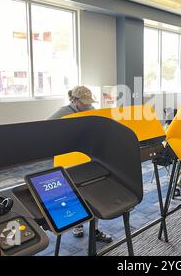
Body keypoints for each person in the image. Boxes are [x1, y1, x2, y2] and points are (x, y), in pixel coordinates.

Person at [49, 85, 112, 243]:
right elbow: (45, 130)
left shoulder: (91, 110)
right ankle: (77, 225)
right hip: (69, 159)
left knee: (93, 191)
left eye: (89, 102)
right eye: (84, 102)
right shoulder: (63, 113)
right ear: (74, 100)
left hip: (87, 157)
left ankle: (95, 229)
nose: (87, 105)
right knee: (72, 191)